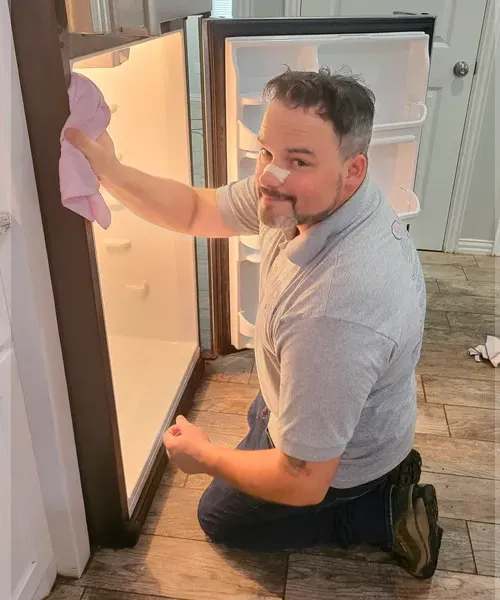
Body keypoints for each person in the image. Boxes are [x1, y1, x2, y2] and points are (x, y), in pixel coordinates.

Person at [66, 67, 442, 580]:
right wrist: (109, 171)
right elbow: (197, 210)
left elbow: (304, 481)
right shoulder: (309, 197)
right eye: (267, 152)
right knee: (263, 412)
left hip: (342, 464)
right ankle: (363, 466)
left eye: (298, 161)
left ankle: (378, 510)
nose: (269, 175)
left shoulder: (334, 310)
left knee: (219, 518)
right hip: (350, 411)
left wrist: (205, 456)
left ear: (353, 170)